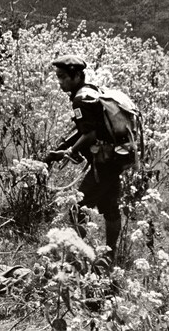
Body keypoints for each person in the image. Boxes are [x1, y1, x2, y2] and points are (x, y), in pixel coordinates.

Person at [44, 55, 131, 262]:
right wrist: (64, 147)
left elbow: (90, 135)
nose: (60, 82)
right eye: (58, 77)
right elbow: (87, 129)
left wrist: (68, 153)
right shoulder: (92, 91)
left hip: (104, 163)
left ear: (76, 76)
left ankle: (75, 257)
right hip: (114, 159)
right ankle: (110, 256)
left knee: (77, 209)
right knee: (111, 208)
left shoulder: (80, 99)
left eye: (63, 77)